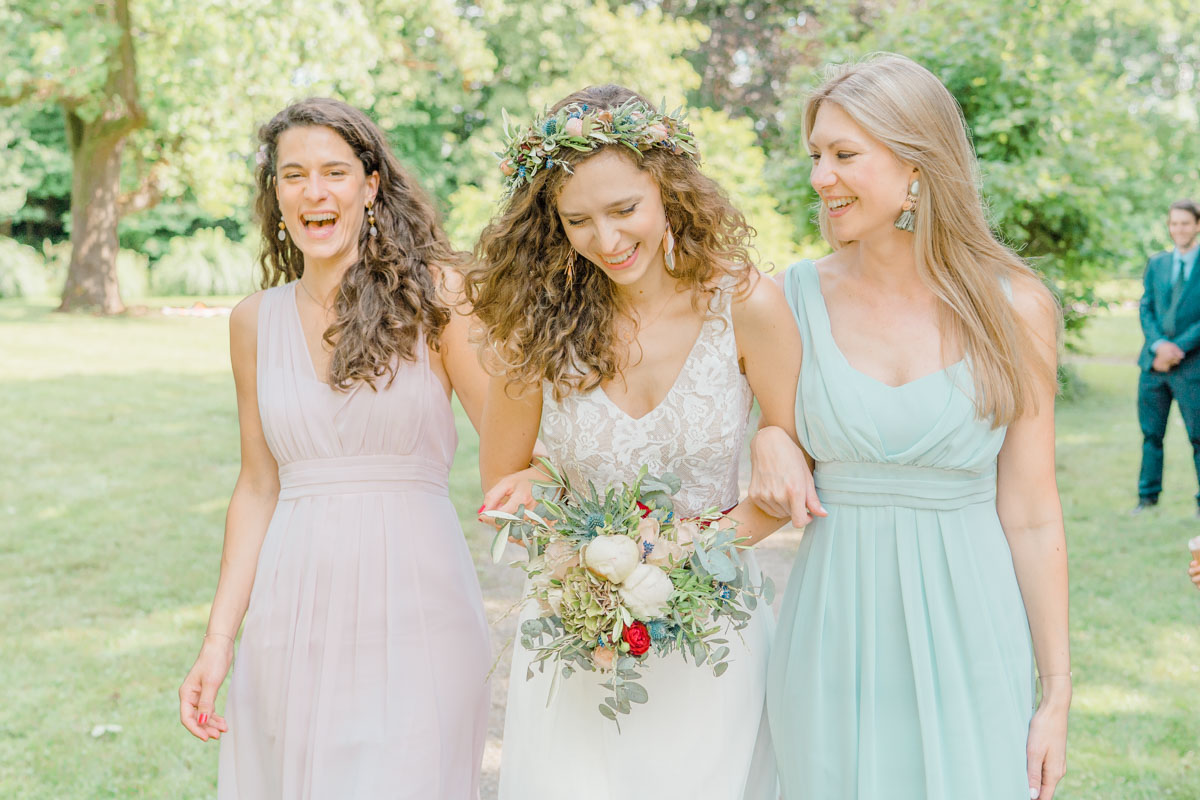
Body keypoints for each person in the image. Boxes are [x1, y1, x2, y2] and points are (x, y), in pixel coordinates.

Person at [466, 84, 820, 799]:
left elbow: (787, 482)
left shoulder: (744, 305)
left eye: (624, 209)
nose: (607, 240)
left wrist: (670, 561)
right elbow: (505, 489)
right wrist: (538, 492)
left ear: (668, 189)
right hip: (580, 643)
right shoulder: (533, 330)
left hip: (713, 642)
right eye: (578, 221)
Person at [749, 54, 1070, 800]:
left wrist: (1055, 692)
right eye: (816, 156)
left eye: (845, 155)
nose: (820, 177)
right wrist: (771, 433)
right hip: (831, 631)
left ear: (918, 167)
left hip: (974, 632)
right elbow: (757, 423)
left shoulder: (1015, 306)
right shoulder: (785, 299)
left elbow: (1030, 512)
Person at [177, 98, 491, 798]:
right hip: (291, 611)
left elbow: (508, 437)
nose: (314, 192)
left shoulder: (440, 298)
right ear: (276, 194)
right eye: (293, 175)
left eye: (334, 172)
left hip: (417, 601)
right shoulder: (254, 321)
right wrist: (217, 642)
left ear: (370, 184)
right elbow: (258, 487)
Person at [1133, 199, 1200, 515]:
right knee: (1151, 435)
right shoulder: (1157, 263)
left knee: (1198, 438)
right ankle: (1147, 498)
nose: (1179, 229)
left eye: (1185, 223)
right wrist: (1158, 344)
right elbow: (1146, 307)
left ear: (1197, 225)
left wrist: (1178, 349)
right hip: (1154, 365)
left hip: (1192, 367)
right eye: (1174, 223)